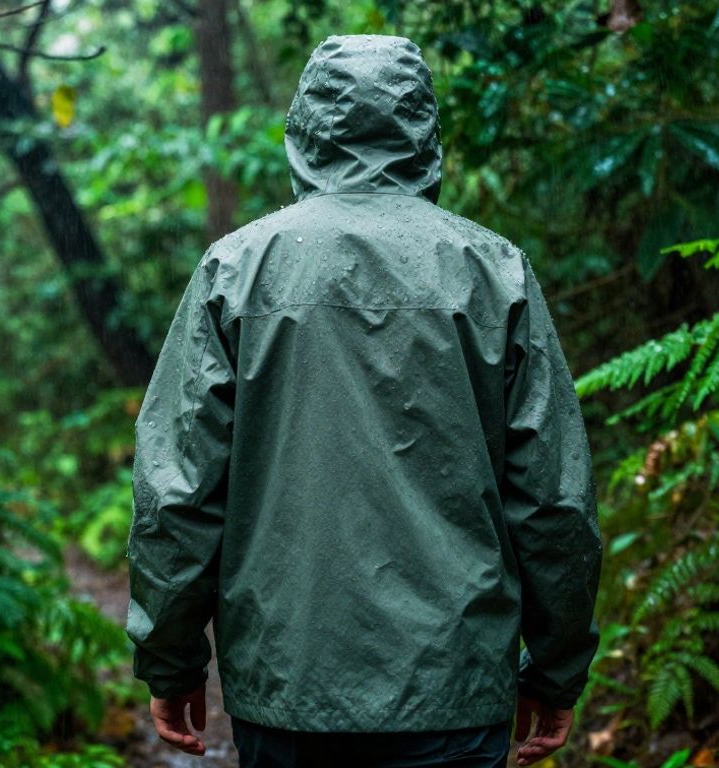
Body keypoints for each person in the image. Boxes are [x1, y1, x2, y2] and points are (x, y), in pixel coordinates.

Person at [125, 33, 603, 768]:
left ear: (307, 127)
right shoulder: (491, 273)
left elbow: (178, 495)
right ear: (422, 130)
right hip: (453, 684)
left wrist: (172, 661)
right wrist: (556, 668)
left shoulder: (238, 271)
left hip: (289, 685)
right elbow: (552, 502)